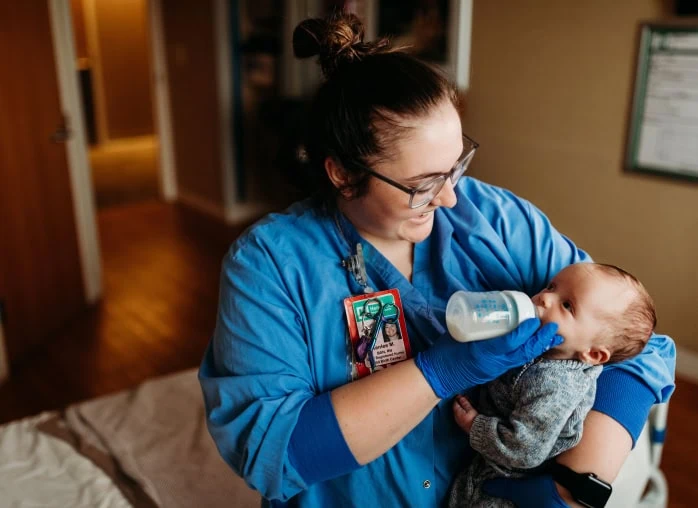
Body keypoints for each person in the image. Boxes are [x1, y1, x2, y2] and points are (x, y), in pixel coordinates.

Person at [198, 11, 675, 507]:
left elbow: (636, 342)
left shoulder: (493, 216)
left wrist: (573, 486)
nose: (449, 198)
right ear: (342, 173)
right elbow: (271, 455)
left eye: (456, 167)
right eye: (423, 184)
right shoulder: (271, 265)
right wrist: (440, 372)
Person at [448, 262, 657, 507]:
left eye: (567, 305)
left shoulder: (555, 385)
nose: (545, 298)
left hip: (505, 482)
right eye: (551, 287)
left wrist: (475, 425)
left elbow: (524, 450)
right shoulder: (548, 348)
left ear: (593, 354)